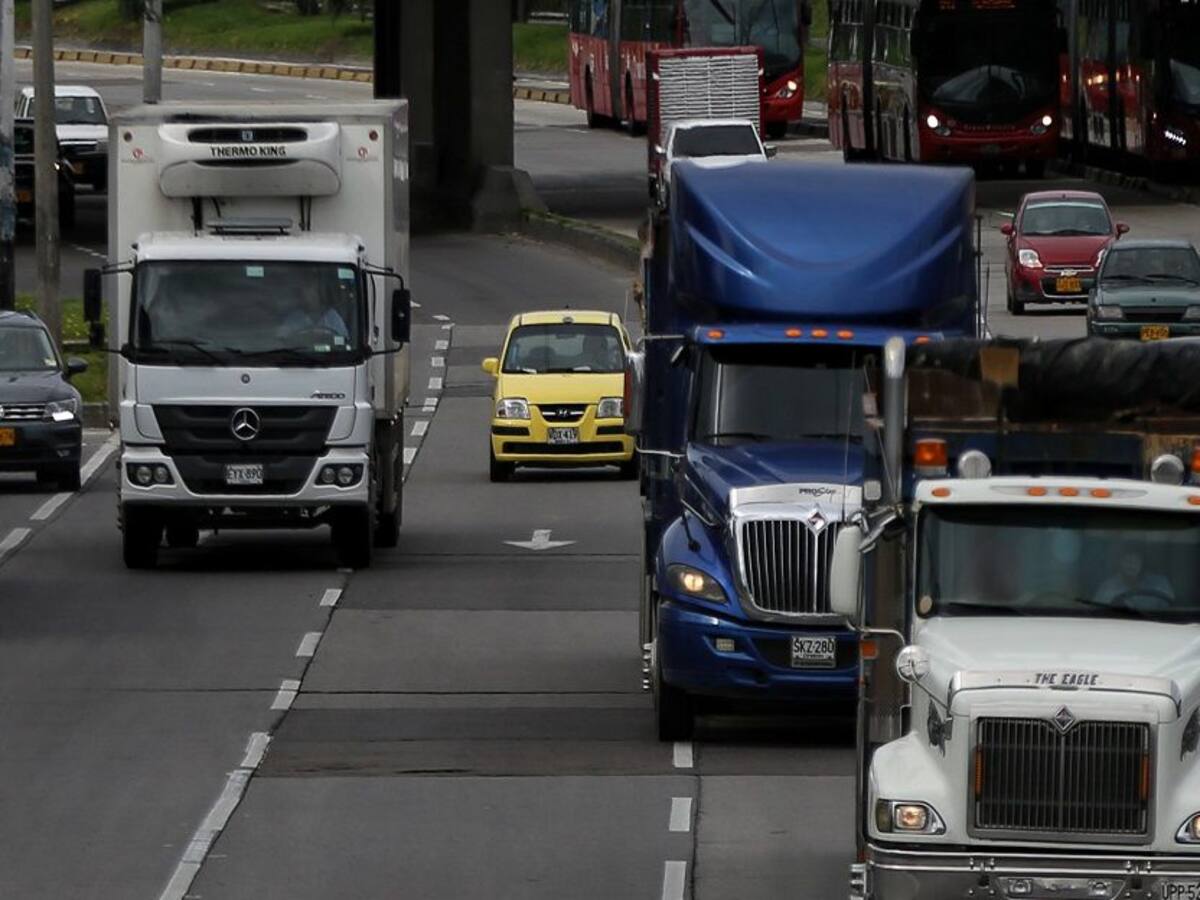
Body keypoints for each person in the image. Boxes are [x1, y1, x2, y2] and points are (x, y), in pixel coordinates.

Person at [1093, 551, 1174, 606]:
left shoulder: (1160, 584)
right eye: (1127, 561)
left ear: (1143, 563)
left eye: (1135, 561)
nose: (1131, 565)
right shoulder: (1107, 587)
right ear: (1119, 563)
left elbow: (1170, 609)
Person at [283, 282, 349, 341]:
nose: (308, 295)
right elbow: (284, 341)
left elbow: (345, 340)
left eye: (311, 289)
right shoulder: (294, 318)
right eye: (305, 291)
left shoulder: (332, 316)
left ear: (319, 293)